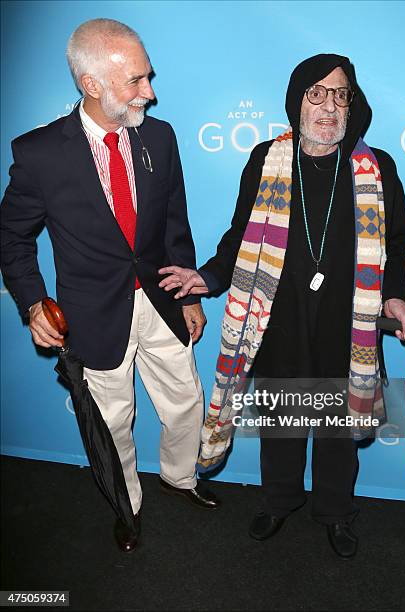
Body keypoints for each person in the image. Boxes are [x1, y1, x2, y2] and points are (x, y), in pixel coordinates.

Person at [158, 54, 405, 559]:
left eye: (340, 94)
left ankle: (335, 512)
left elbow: (396, 244)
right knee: (282, 424)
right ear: (297, 100)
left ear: (353, 103)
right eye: (317, 93)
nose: (329, 105)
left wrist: (396, 300)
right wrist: (208, 277)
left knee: (335, 432)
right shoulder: (267, 159)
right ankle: (279, 501)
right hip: (277, 319)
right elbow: (240, 235)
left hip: (348, 323)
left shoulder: (378, 168)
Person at [0, 18, 220, 554]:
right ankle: (129, 505)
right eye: (136, 81)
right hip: (93, 313)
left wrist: (187, 292)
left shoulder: (160, 136)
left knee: (186, 400)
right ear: (92, 84)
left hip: (161, 300)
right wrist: (32, 303)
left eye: (148, 77)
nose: (150, 92)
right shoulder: (40, 153)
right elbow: (11, 236)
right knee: (113, 422)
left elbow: (174, 222)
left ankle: (179, 477)